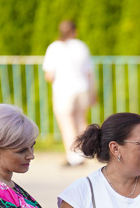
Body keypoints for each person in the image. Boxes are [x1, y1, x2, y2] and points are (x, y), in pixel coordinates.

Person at [43, 20, 95, 168]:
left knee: (67, 123)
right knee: (80, 121)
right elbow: (89, 72)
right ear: (74, 31)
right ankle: (84, 152)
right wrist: (93, 92)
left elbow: (49, 75)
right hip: (82, 87)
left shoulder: (54, 48)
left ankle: (73, 156)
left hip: (63, 90)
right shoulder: (81, 46)